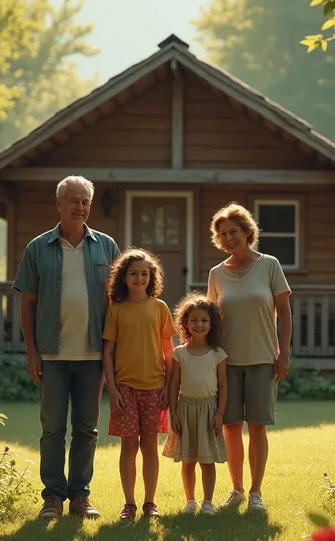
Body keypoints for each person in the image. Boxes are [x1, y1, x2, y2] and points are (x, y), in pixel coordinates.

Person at [13, 175, 120, 520]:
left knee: (87, 430)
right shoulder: (37, 248)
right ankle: (53, 498)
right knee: (53, 429)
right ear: (58, 204)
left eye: (85, 201)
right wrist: (31, 351)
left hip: (93, 356)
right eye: (74, 201)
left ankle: (80, 497)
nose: (80, 207)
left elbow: (119, 304)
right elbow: (27, 304)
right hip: (52, 356)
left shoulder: (106, 247)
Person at [207, 202, 292, 512]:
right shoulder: (216, 274)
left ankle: (256, 492)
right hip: (226, 362)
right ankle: (237, 489)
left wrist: (283, 353)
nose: (229, 238)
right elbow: (211, 319)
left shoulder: (270, 265)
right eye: (222, 234)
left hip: (262, 359)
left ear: (247, 232)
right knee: (230, 427)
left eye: (234, 232)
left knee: (257, 426)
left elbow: (283, 311)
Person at [102, 248, 177, 520]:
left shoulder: (159, 308)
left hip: (155, 388)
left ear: (151, 277)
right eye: (133, 273)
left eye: (145, 274)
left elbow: (169, 352)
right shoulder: (116, 310)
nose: (139, 278)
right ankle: (129, 504)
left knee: (149, 448)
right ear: (123, 277)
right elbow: (108, 353)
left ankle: (149, 503)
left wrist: (169, 387)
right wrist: (111, 388)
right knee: (128, 448)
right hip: (125, 389)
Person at [162, 293, 228, 515]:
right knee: (188, 460)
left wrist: (219, 414)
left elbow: (223, 385)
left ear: (212, 324)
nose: (199, 324)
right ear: (185, 323)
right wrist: (174, 413)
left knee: (207, 461)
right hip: (186, 410)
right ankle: (190, 501)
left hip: (209, 411)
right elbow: (173, 384)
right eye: (194, 320)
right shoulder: (180, 353)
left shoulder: (217, 354)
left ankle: (208, 502)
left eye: (204, 320)